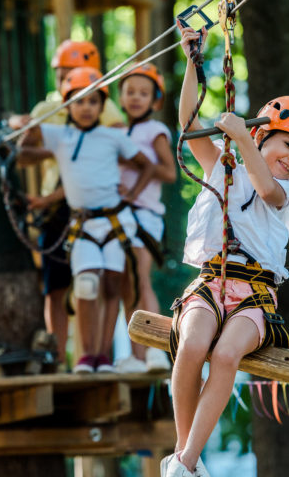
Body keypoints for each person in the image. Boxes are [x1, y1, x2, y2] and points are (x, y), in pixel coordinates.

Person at [161, 23, 289, 477]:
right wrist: (193, 59)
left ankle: (186, 460)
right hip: (211, 282)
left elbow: (264, 186)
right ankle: (183, 458)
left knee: (226, 355)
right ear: (262, 134)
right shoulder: (222, 165)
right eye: (288, 143)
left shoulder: (288, 196)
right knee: (192, 345)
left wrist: (238, 139)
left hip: (254, 296)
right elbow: (189, 124)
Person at [14, 66, 155, 374]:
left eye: (93, 101)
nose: (86, 108)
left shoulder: (111, 137)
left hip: (115, 222)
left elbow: (146, 165)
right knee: (86, 286)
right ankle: (85, 356)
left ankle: (103, 356)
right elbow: (24, 151)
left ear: (102, 106)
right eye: (79, 101)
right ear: (68, 106)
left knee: (111, 287)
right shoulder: (59, 135)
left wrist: (132, 194)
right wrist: (26, 130)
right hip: (84, 225)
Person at [29, 40, 125, 369]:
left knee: (94, 284)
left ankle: (95, 354)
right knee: (55, 287)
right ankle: (58, 359)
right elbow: (29, 151)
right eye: (62, 75)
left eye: (73, 73)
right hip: (55, 212)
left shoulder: (107, 110)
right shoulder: (47, 109)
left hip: (89, 208)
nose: (68, 81)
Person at [114, 63, 177, 374]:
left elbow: (168, 172)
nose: (136, 98)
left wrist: (136, 164)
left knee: (140, 280)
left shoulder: (155, 131)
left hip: (144, 215)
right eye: (130, 92)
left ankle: (154, 352)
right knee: (127, 286)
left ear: (155, 101)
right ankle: (136, 357)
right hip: (119, 216)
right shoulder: (117, 131)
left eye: (144, 93)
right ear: (121, 98)